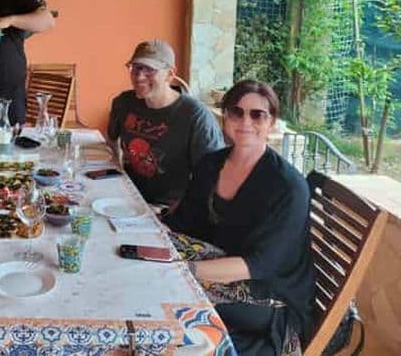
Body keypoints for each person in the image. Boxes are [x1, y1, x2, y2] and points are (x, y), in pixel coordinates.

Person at [163, 80, 314, 355]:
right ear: (225, 117)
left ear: (272, 123)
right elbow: (184, 223)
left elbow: (261, 265)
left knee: (162, 295)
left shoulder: (287, 186)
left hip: (269, 298)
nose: (246, 121)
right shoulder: (212, 164)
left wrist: (183, 273)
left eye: (258, 114)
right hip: (220, 267)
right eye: (236, 112)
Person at [107, 39, 224, 207]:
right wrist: (116, 175)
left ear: (170, 74)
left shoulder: (196, 117)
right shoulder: (123, 103)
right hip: (128, 196)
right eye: (136, 68)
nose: (139, 76)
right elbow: (111, 141)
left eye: (150, 70)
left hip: (168, 208)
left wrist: (177, 212)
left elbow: (211, 177)